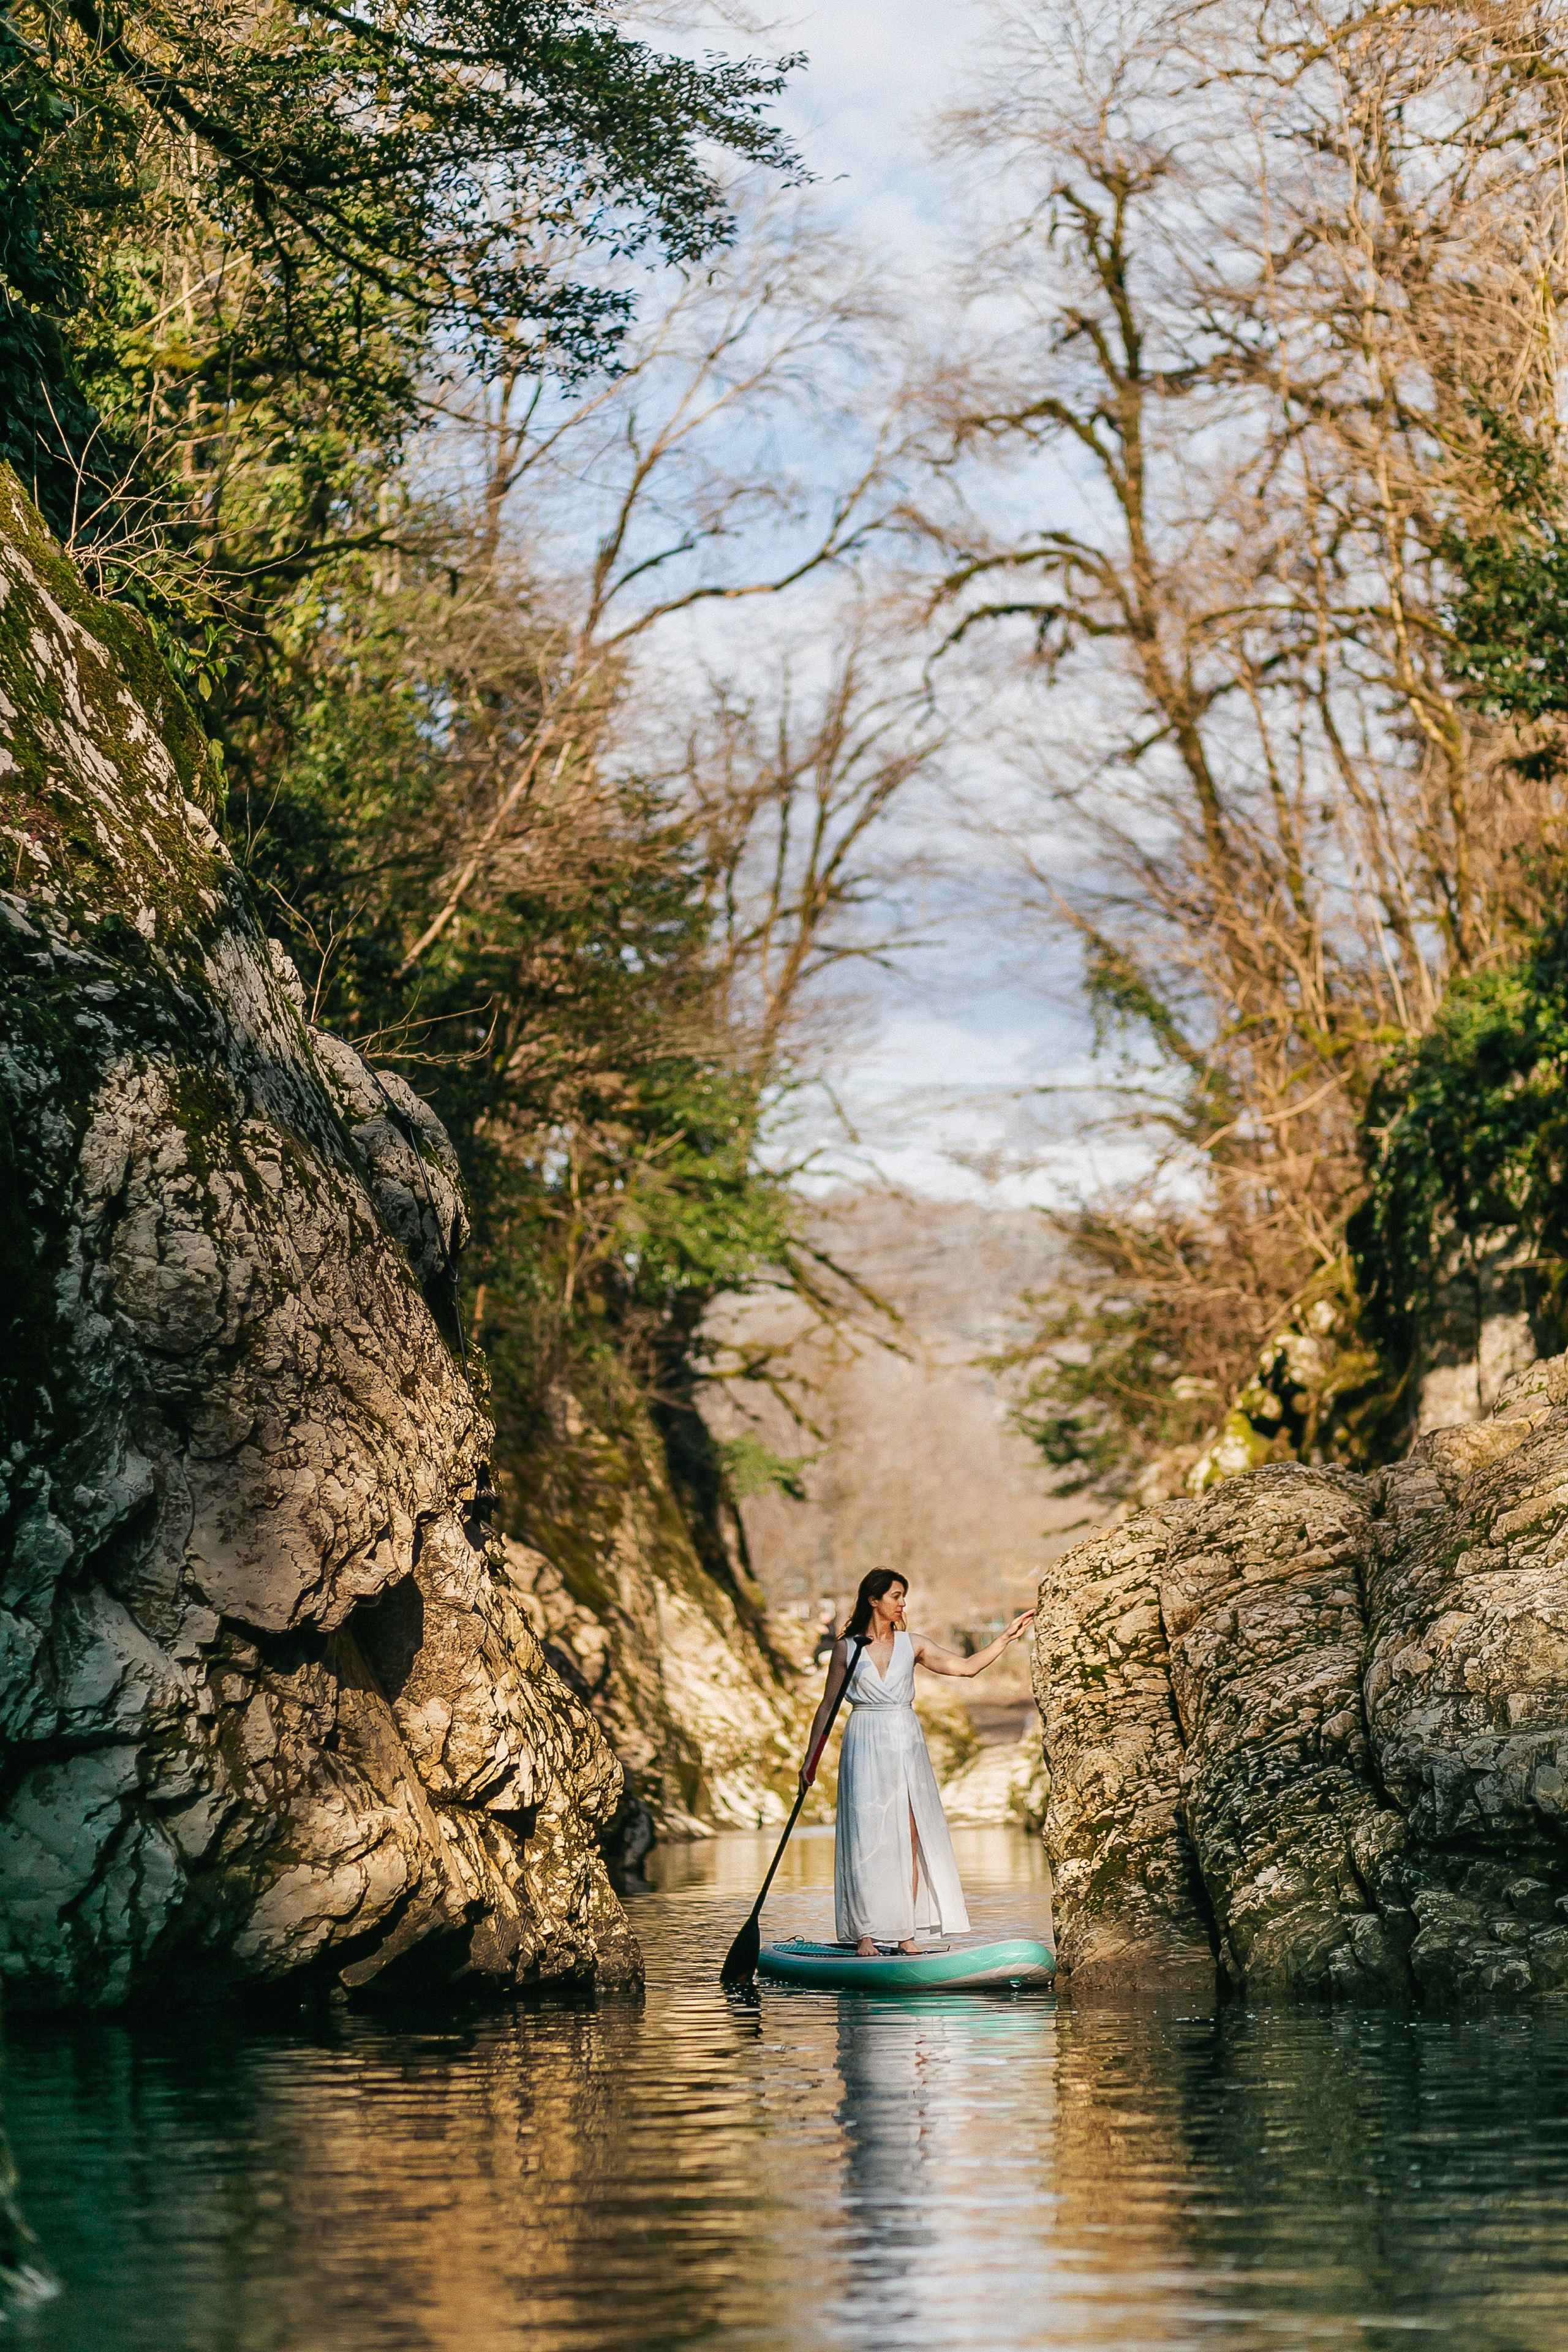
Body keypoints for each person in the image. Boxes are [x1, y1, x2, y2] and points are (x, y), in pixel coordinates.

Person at [799, 1567, 1035, 1958]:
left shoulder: (914, 1646)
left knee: (908, 1838)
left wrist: (1006, 1638)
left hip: (905, 1740)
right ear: (873, 1600)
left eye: (903, 1596)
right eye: (895, 1596)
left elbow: (967, 1668)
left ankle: (906, 1934)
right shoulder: (846, 1649)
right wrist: (810, 1762)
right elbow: (827, 1708)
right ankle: (866, 1938)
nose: (902, 1603)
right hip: (864, 1741)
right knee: (866, 1839)